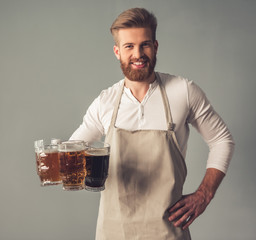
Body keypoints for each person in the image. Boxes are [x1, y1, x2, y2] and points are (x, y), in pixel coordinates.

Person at [70, 8, 234, 240]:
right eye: (129, 46)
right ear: (117, 52)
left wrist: (204, 194)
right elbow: (72, 149)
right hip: (114, 232)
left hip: (168, 231)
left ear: (155, 47)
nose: (138, 54)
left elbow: (221, 140)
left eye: (144, 44)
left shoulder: (183, 91)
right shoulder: (105, 102)